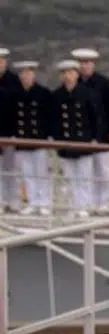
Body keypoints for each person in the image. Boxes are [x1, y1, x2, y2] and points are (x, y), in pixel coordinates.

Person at [52, 59, 102, 218]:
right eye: (65, 73)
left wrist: (95, 137)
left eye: (71, 73)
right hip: (65, 142)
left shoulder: (86, 93)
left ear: (76, 74)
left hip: (83, 140)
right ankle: (74, 205)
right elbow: (53, 119)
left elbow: (95, 117)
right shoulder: (57, 95)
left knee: (84, 176)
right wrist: (56, 139)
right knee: (70, 177)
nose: (68, 76)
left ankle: (84, 205)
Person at [72, 49, 109, 212]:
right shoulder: (74, 82)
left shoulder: (103, 82)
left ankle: (104, 202)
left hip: (103, 134)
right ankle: (89, 203)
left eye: (87, 63)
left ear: (93, 64)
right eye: (82, 63)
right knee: (86, 172)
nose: (84, 66)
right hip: (83, 135)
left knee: (104, 171)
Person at [9, 61, 53, 215]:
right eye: (23, 73)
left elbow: (49, 117)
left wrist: (48, 136)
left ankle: (45, 202)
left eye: (29, 73)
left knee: (42, 173)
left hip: (38, 138)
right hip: (22, 139)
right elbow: (12, 117)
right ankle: (33, 202)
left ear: (34, 74)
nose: (26, 76)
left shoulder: (43, 93)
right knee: (27, 174)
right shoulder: (15, 94)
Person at [0, 48, 22, 212]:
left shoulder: (14, 80)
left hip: (9, 132)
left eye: (2, 60)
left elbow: (17, 108)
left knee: (12, 170)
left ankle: (13, 200)